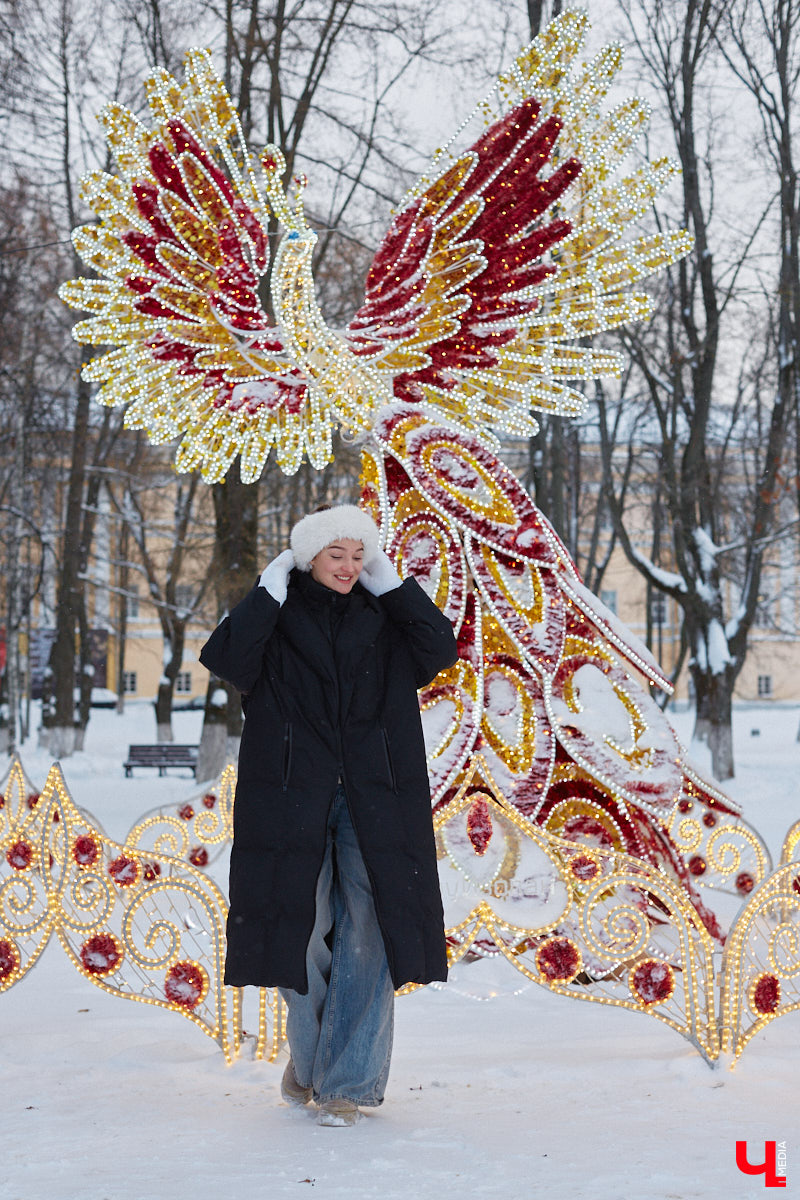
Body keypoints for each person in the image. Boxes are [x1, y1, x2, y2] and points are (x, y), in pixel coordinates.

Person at [199, 504, 458, 1126]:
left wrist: (395, 587)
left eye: (356, 555)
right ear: (307, 559)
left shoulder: (387, 619)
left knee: (371, 927)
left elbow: (440, 646)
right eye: (334, 555)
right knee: (301, 928)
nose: (348, 566)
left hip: (378, 795)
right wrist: (268, 589)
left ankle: (349, 1081)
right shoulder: (277, 619)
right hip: (290, 795)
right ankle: (312, 1059)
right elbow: (227, 659)